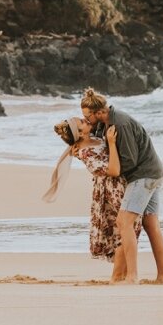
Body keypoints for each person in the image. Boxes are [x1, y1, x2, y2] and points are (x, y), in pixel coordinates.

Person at [80, 87, 163, 284]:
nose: (85, 120)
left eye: (87, 116)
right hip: (153, 173)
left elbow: (127, 162)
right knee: (151, 225)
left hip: (143, 176)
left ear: (99, 113)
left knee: (123, 223)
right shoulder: (106, 121)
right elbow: (86, 136)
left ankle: (132, 276)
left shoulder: (120, 124)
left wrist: (111, 155)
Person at [49, 116, 140, 280]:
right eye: (82, 123)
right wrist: (111, 143)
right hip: (111, 192)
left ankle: (123, 273)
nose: (86, 120)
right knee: (124, 231)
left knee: (129, 229)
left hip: (121, 185)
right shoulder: (85, 152)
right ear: (81, 133)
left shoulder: (94, 139)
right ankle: (117, 276)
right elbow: (112, 171)